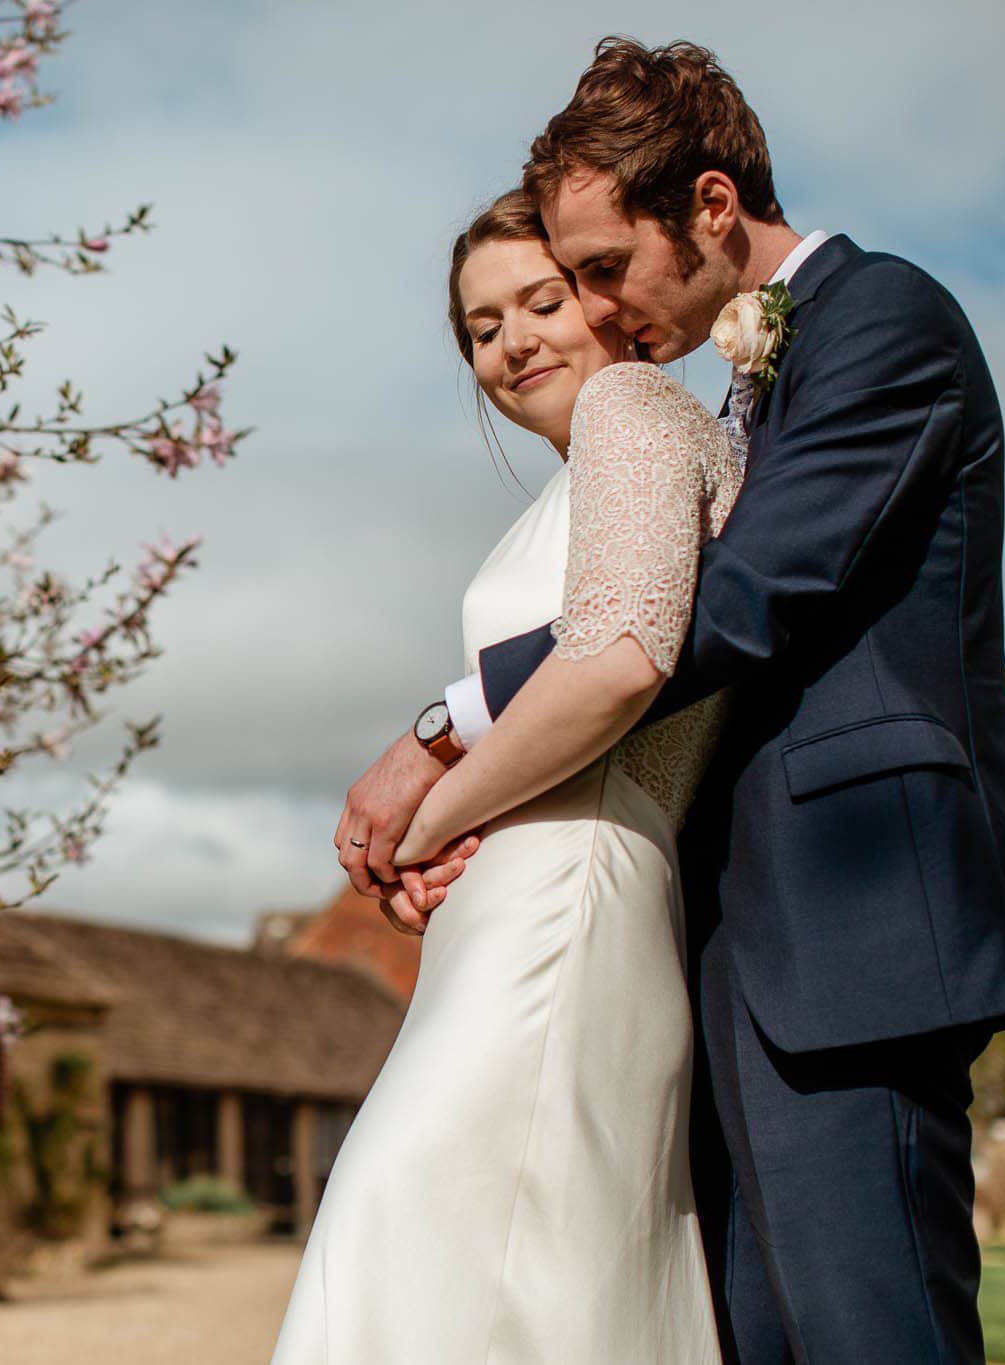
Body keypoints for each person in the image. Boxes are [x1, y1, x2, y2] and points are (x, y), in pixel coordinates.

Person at [336, 39, 1005, 1363]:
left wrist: (443, 736)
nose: (595, 310)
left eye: (602, 268)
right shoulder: (733, 385)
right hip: (721, 934)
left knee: (871, 1333)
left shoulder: (883, 319)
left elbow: (732, 601)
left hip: (858, 922)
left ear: (712, 207)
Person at [270, 187, 737, 1362]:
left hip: (564, 905)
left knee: (413, 1235)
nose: (511, 342)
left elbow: (617, 664)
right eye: (481, 329)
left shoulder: (635, 405)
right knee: (483, 1271)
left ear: (606, 296)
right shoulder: (580, 480)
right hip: (521, 912)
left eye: (539, 302)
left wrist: (423, 824)